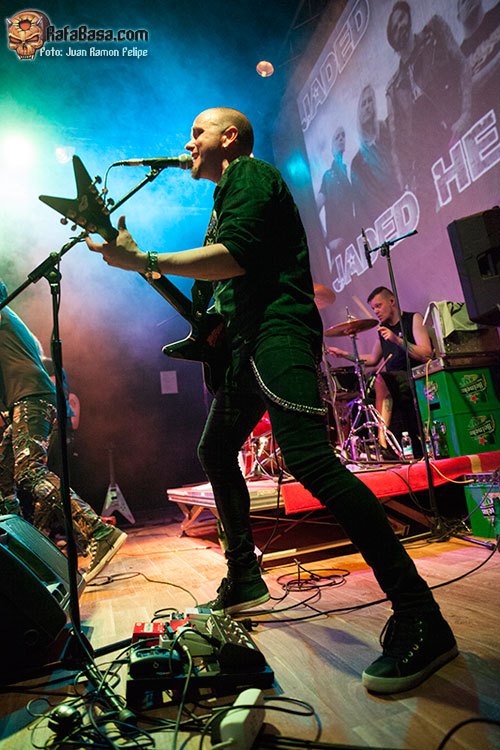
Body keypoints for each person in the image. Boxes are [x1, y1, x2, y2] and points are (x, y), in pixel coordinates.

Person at [86, 107, 457, 694]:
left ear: (229, 137)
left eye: (198, 133)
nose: (189, 144)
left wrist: (147, 260)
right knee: (215, 450)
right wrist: (151, 274)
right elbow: (218, 295)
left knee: (310, 460)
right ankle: (243, 575)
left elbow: (236, 256)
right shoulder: (224, 199)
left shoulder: (251, 174)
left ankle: (421, 615)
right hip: (245, 347)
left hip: (277, 335)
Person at [0, 279, 126, 582]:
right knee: (3, 479)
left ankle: (99, 531)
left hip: (31, 399)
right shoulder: (9, 321)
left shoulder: (2, 315)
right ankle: (21, 552)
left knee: (30, 472)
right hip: (26, 401)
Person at [328, 286, 432, 455]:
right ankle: (361, 447)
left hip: (415, 375)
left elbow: (426, 354)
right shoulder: (383, 328)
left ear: (392, 301)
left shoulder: (413, 319)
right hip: (393, 382)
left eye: (378, 306)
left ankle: (383, 441)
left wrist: (397, 339)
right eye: (373, 308)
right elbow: (372, 359)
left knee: (381, 379)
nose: (376, 311)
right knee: (365, 394)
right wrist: (344, 354)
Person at [385, 2, 471, 198]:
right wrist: (408, 184)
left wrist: (466, 113)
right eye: (394, 28)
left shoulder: (434, 33)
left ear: (409, 17)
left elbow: (463, 65)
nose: (400, 26)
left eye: (401, 18)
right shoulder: (394, 89)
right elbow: (397, 144)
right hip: (433, 165)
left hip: (460, 135)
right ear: (392, 40)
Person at [350, 85, 399, 228]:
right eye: (363, 103)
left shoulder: (387, 131)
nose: (367, 107)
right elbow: (361, 208)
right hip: (384, 222)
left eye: (370, 101)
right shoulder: (357, 163)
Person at [317, 126, 356, 252]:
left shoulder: (348, 170)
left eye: (343, 136)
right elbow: (315, 209)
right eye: (337, 137)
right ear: (332, 147)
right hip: (338, 243)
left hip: (353, 238)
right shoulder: (328, 176)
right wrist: (327, 240)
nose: (341, 139)